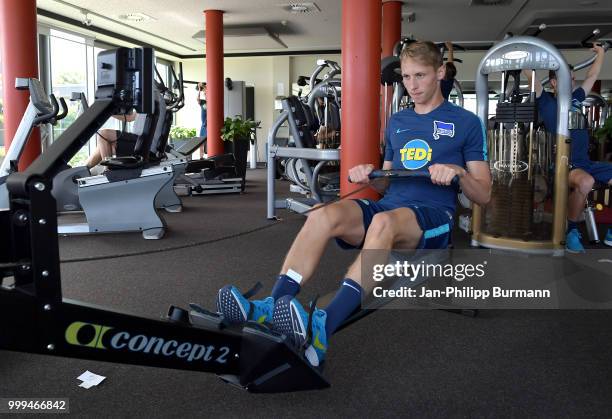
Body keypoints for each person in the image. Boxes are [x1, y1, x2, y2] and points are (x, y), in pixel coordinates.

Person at [216, 41, 491, 367]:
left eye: (420, 75)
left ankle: (323, 328)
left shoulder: (466, 122)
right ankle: (272, 304)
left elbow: (484, 194)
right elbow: (387, 181)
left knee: (382, 223)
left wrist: (458, 173)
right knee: (321, 215)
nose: (412, 85)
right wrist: (370, 177)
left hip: (434, 216)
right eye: (406, 77)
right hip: (391, 205)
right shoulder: (399, 122)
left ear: (440, 72)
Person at [527, 44, 612, 252]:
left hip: (586, 163)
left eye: (573, 78)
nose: (572, 81)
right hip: (563, 165)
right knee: (586, 181)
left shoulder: (576, 99)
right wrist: (524, 54)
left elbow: (592, 75)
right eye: (567, 78)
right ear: (554, 82)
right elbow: (532, 77)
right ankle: (571, 230)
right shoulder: (546, 101)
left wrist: (601, 54)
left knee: (589, 175)